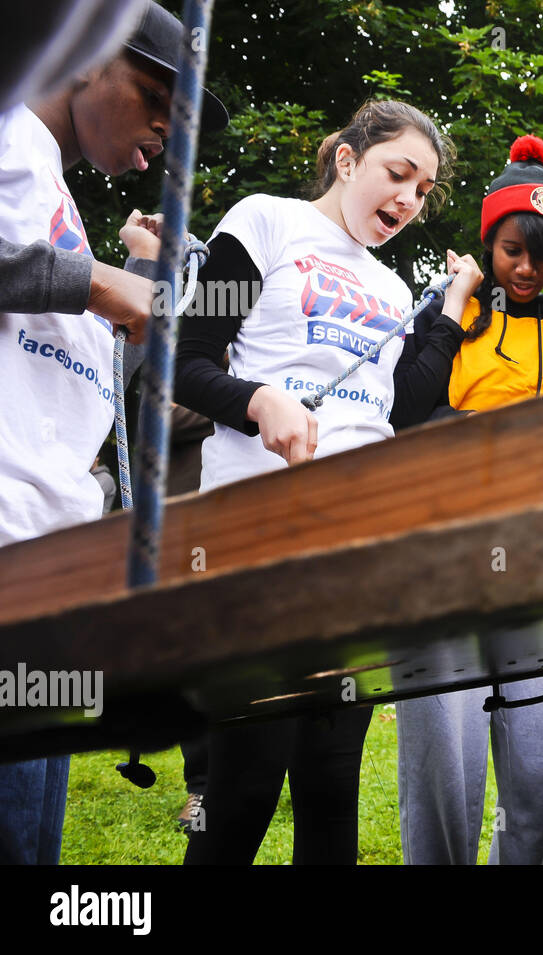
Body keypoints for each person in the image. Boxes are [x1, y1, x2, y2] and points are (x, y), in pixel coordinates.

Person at [173, 98, 464, 864]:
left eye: (424, 190)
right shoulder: (264, 222)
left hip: (353, 554)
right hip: (255, 539)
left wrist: (451, 317)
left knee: (331, 784)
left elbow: (393, 408)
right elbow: (188, 357)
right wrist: (257, 398)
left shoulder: (397, 294)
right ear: (347, 161)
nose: (407, 199)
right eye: (397, 174)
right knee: (243, 783)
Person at [0, 0, 228, 866]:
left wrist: (128, 279)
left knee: (34, 847)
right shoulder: (8, 125)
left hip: (53, 566)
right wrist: (98, 282)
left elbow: (83, 385)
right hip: (6, 559)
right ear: (88, 55)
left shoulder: (54, 190)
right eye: (157, 98)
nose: (166, 134)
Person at [395, 134, 543, 865]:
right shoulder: (449, 323)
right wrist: (452, 303)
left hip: (542, 573)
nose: (528, 268)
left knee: (536, 778)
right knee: (447, 771)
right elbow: (404, 416)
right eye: (512, 249)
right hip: (442, 565)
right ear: (488, 245)